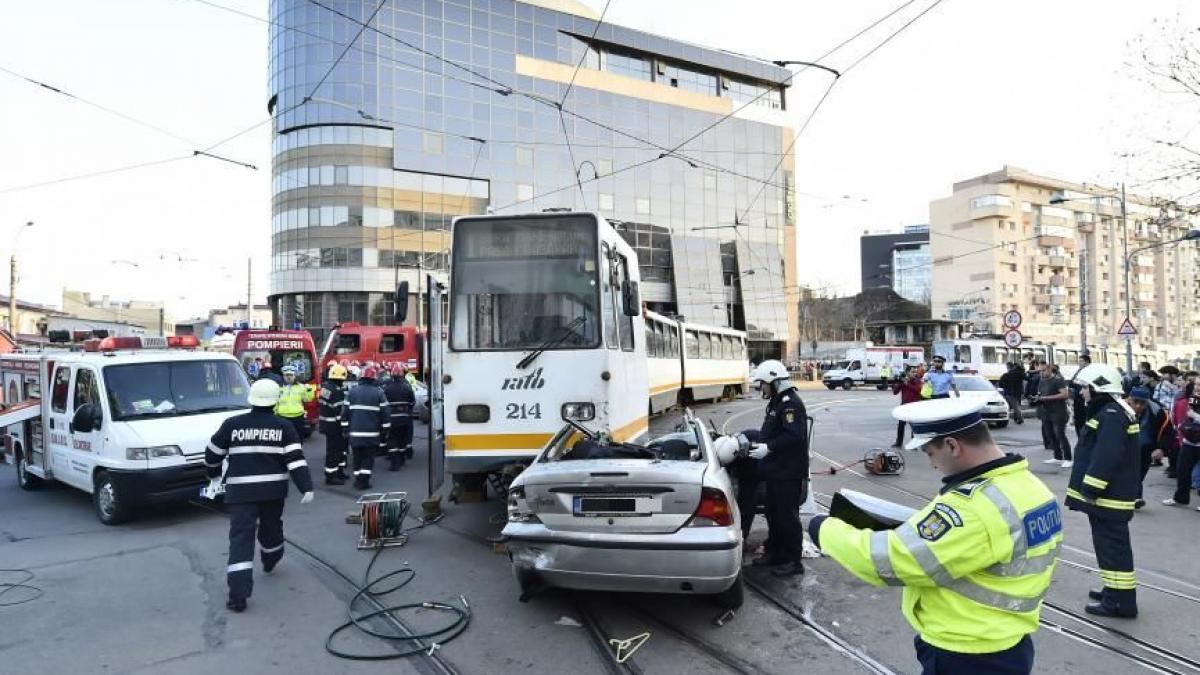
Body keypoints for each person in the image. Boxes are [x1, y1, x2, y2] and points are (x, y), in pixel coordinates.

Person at [810, 398, 1060, 674]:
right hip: (1009, 641)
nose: (931, 464)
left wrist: (825, 529)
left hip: (966, 651)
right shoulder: (1031, 487)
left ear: (952, 446)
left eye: (930, 453)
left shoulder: (972, 507)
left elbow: (889, 561)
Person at [204, 379, 314, 613]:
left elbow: (212, 453)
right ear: (275, 401)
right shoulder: (284, 427)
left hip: (240, 493)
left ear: (251, 399)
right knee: (271, 527)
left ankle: (238, 596)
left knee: (240, 539)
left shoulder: (232, 424)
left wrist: (213, 474)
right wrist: (306, 487)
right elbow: (295, 461)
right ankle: (271, 559)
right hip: (273, 492)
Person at [1066, 363, 1140, 618]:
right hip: (1110, 497)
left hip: (1108, 499)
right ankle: (1114, 591)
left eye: (1085, 388)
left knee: (1113, 551)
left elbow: (1106, 456)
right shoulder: (1113, 411)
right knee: (1111, 550)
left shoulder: (1110, 415)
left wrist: (1090, 489)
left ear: (1098, 388)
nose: (1082, 392)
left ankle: (1119, 603)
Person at [741, 359, 809, 577]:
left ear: (774, 381)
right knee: (773, 514)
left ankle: (793, 561)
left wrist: (768, 447)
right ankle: (775, 552)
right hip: (775, 470)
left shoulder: (790, 404)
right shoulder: (777, 402)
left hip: (788, 472)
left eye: (763, 383)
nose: (761, 388)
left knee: (787, 517)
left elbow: (794, 436)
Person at [340, 365, 390, 490]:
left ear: (361, 377)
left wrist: (345, 428)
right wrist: (386, 428)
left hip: (354, 433)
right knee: (368, 457)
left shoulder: (352, 392)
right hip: (372, 434)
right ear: (374, 378)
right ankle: (364, 481)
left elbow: (344, 412)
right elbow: (385, 412)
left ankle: (358, 479)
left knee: (357, 457)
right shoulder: (379, 392)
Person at [1126, 386, 1175, 509]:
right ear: (1129, 399)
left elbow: (1168, 432)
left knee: (1139, 473)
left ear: (1147, 401)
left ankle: (1133, 496)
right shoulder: (1119, 408)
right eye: (1135, 402)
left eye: (1142, 403)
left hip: (1145, 449)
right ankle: (1135, 497)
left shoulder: (1157, 412)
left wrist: (1161, 448)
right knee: (1131, 472)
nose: (1138, 406)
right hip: (1124, 447)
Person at [1163, 390, 1200, 509]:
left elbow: (1192, 415)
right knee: (1182, 470)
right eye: (1196, 384)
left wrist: (1195, 416)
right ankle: (1181, 498)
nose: (1198, 388)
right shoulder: (1191, 399)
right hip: (1189, 442)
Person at [1033, 363, 1072, 468]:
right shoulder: (1041, 380)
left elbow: (1065, 394)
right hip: (1046, 411)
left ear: (1050, 370)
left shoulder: (1058, 380)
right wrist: (1037, 398)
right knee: (1050, 434)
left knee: (1060, 434)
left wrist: (1046, 398)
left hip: (1058, 412)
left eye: (1043, 370)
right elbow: (1041, 393)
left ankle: (1068, 458)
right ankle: (1057, 457)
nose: (1041, 373)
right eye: (1040, 371)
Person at [318, 363, 349, 485]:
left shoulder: (325, 388)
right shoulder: (337, 391)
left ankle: (339, 472)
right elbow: (339, 412)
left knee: (338, 450)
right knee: (334, 451)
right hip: (335, 426)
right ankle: (330, 476)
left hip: (326, 424)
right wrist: (345, 426)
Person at [382, 364, 416, 471]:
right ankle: (401, 459)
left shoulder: (387, 388)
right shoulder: (407, 387)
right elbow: (412, 402)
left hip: (391, 419)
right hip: (404, 419)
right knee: (402, 440)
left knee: (392, 440)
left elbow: (383, 404)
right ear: (402, 375)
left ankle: (394, 463)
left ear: (392, 375)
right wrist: (407, 411)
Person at [274, 365, 314, 440]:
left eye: (291, 375)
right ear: (283, 376)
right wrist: (275, 414)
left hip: (297, 416)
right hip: (282, 416)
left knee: (298, 438)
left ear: (295, 376)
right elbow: (275, 402)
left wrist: (309, 390)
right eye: (286, 375)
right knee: (284, 439)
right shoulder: (278, 387)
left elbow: (307, 399)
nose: (289, 377)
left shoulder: (301, 387)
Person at [892, 366, 924, 447]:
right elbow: (895, 392)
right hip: (904, 406)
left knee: (914, 425)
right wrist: (898, 382)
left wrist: (907, 383)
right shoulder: (903, 381)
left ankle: (914, 443)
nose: (914, 373)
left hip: (914, 406)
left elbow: (918, 390)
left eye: (915, 372)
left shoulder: (917, 381)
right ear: (907, 373)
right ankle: (899, 442)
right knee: (901, 425)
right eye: (912, 372)